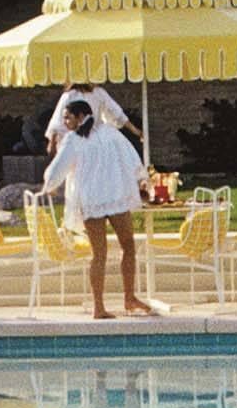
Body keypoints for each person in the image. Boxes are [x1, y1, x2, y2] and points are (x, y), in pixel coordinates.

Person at [51, 95, 159, 319]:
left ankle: (109, 303)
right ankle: (118, 300)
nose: (65, 123)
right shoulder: (105, 133)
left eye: (67, 118)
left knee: (103, 253)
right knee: (123, 247)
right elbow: (132, 158)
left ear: (81, 116)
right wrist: (141, 179)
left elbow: (56, 169)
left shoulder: (75, 140)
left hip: (96, 200)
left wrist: (49, 185)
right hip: (111, 197)